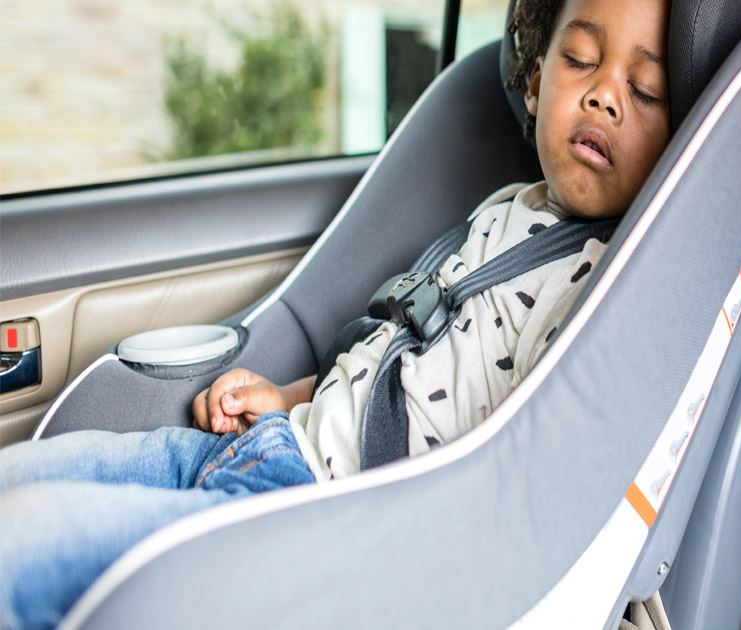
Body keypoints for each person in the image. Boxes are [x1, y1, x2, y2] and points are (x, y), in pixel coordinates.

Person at [0, 0, 671, 627]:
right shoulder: (506, 205)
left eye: (644, 91)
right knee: (21, 476)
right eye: (581, 59)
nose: (604, 93)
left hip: (316, 513)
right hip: (270, 443)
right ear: (532, 83)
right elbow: (406, 356)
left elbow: (513, 474)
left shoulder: (602, 283)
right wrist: (289, 396)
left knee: (26, 547)